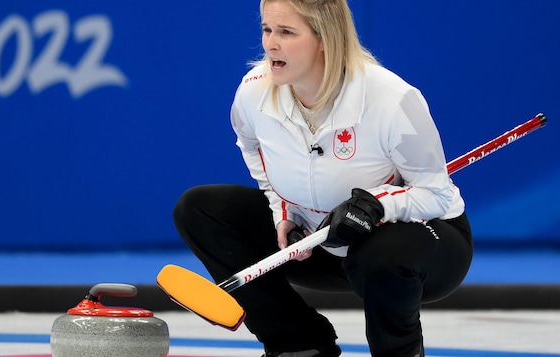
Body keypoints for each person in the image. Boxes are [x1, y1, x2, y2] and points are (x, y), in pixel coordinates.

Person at [173, 0, 473, 356]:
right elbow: (256, 155)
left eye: (286, 32)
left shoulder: (392, 100)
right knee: (200, 209)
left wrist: (376, 205)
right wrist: (284, 211)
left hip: (421, 246)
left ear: (325, 39)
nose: (271, 43)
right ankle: (299, 345)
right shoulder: (253, 93)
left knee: (383, 255)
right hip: (317, 240)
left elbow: (436, 195)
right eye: (267, 29)